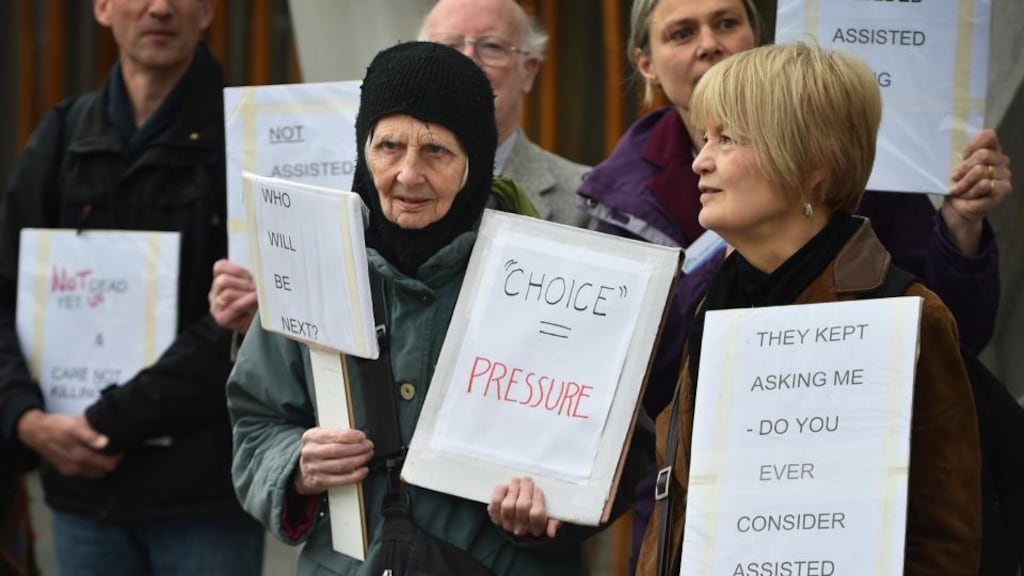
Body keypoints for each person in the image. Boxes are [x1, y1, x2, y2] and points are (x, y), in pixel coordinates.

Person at [227, 41, 648, 576]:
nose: (408, 174)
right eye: (388, 147)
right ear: (363, 149)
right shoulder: (314, 264)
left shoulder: (549, 276)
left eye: (436, 152)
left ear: (475, 162)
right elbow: (257, 420)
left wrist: (552, 510)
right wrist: (297, 466)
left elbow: (616, 444)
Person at [638, 42, 981, 576]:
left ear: (811, 166)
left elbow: (943, 543)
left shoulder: (906, 315)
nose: (700, 160)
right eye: (705, 138)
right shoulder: (714, 310)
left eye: (727, 139)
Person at [0, 1, 264, 574]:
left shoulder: (247, 141)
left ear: (209, 11)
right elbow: (5, 291)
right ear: (101, 8)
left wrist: (109, 420)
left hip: (203, 497)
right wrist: (23, 417)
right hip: (80, 499)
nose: (160, 8)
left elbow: (250, 321)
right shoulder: (63, 135)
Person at [419, 0, 591, 227]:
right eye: (449, 46)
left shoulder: (587, 198)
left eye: (492, 46)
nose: (468, 61)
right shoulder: (379, 184)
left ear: (528, 71)